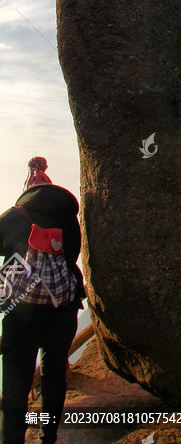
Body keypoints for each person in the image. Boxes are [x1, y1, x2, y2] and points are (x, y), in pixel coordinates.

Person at [0, 157, 85, 444]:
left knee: (16, 382)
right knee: (53, 376)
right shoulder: (69, 219)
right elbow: (72, 256)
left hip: (22, 310)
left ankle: (13, 439)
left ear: (27, 188)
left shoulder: (17, 214)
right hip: (62, 309)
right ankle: (49, 437)